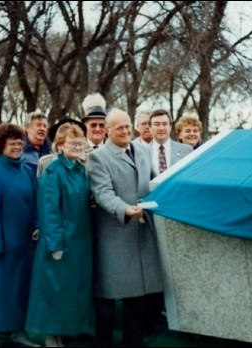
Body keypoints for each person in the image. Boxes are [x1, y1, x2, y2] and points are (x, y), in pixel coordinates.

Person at [88, 108, 163, 347]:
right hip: (114, 236)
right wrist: (125, 210)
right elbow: (102, 193)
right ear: (108, 131)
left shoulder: (141, 151)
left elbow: (154, 183)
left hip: (141, 234)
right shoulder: (99, 156)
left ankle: (134, 342)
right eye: (119, 127)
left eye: (127, 126)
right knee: (108, 301)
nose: (125, 131)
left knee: (137, 300)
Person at [26, 123, 94, 347]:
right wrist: (55, 244)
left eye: (80, 142)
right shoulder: (54, 172)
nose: (77, 146)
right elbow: (49, 210)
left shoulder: (79, 169)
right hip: (60, 243)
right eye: (71, 143)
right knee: (53, 292)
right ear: (60, 146)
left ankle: (64, 334)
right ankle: (52, 338)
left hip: (79, 242)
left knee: (69, 291)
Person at [0, 123, 40, 348]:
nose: (17, 147)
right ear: (0, 145)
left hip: (24, 244)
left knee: (20, 289)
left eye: (20, 143)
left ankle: (17, 331)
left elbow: (36, 203)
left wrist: (38, 226)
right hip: (0, 245)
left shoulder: (27, 171)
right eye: (12, 143)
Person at [149, 109, 193, 175]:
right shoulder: (141, 152)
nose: (161, 128)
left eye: (165, 124)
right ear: (150, 128)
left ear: (170, 126)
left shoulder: (187, 150)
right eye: (157, 124)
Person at [22, 109, 53, 174]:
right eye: (38, 125)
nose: (42, 129)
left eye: (45, 126)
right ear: (27, 128)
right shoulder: (19, 152)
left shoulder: (52, 152)